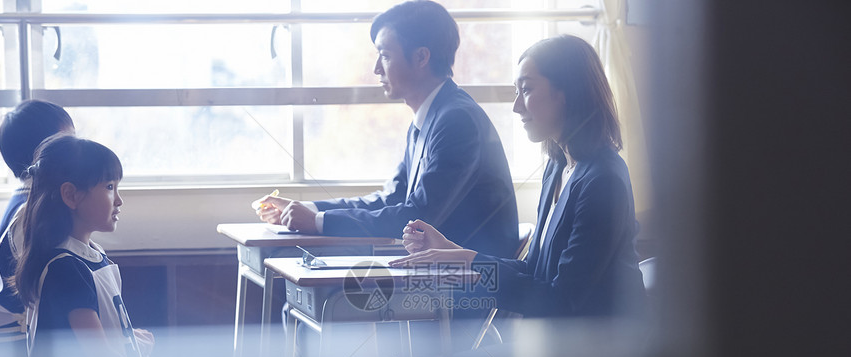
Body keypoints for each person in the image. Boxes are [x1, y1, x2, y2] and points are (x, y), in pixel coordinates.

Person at [391, 35, 647, 320]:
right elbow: (534, 271)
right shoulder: (558, 168)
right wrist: (452, 251)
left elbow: (559, 299)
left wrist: (467, 261)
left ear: (568, 93)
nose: (516, 106)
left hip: (601, 350)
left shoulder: (603, 180)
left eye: (526, 89)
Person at [253, 0, 519, 259]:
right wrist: (307, 210)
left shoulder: (457, 120)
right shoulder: (430, 117)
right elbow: (392, 198)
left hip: (473, 281)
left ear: (421, 57)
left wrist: (319, 221)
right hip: (440, 271)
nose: (376, 68)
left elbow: (416, 217)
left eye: (385, 55)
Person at [11, 135, 153, 357]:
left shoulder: (92, 254)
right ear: (71, 195)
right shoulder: (66, 268)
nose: (119, 200)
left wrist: (130, 338)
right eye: (109, 187)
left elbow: (101, 332)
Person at [0, 100, 75, 357]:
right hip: (12, 332)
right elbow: (46, 281)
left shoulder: (26, 199)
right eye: (69, 142)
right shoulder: (31, 211)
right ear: (45, 153)